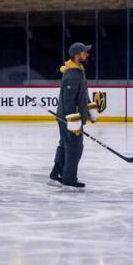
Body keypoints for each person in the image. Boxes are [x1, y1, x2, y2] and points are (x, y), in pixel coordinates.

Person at [50, 42, 98, 189]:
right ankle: (69, 179)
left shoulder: (78, 71)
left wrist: (91, 109)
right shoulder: (71, 74)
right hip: (68, 118)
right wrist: (73, 121)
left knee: (66, 145)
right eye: (84, 52)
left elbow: (82, 95)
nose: (87, 54)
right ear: (77, 55)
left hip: (71, 117)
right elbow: (68, 100)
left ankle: (56, 173)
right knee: (74, 148)